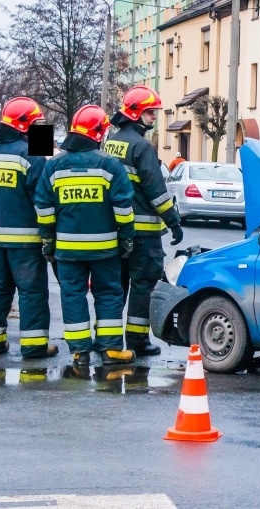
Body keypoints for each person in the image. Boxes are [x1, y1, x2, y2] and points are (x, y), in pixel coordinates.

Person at [35, 105, 136, 366]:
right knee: (109, 294)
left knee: (72, 295)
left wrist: (47, 239)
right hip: (105, 249)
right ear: (99, 133)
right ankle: (111, 349)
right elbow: (123, 208)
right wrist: (127, 237)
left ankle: (80, 351)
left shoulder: (54, 165)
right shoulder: (109, 165)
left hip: (67, 249)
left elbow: (44, 207)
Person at [104, 86, 183, 356]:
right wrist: (173, 221)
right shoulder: (142, 147)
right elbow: (156, 192)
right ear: (136, 113)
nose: (153, 118)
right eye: (150, 113)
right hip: (143, 234)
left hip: (114, 231)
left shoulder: (110, 142)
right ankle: (137, 342)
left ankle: (108, 342)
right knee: (142, 287)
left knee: (115, 288)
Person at [0, 97, 57, 358]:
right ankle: (34, 346)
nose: (40, 127)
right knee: (31, 292)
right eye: (36, 123)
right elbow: (42, 198)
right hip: (26, 240)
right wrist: (48, 234)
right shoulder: (32, 152)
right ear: (25, 126)